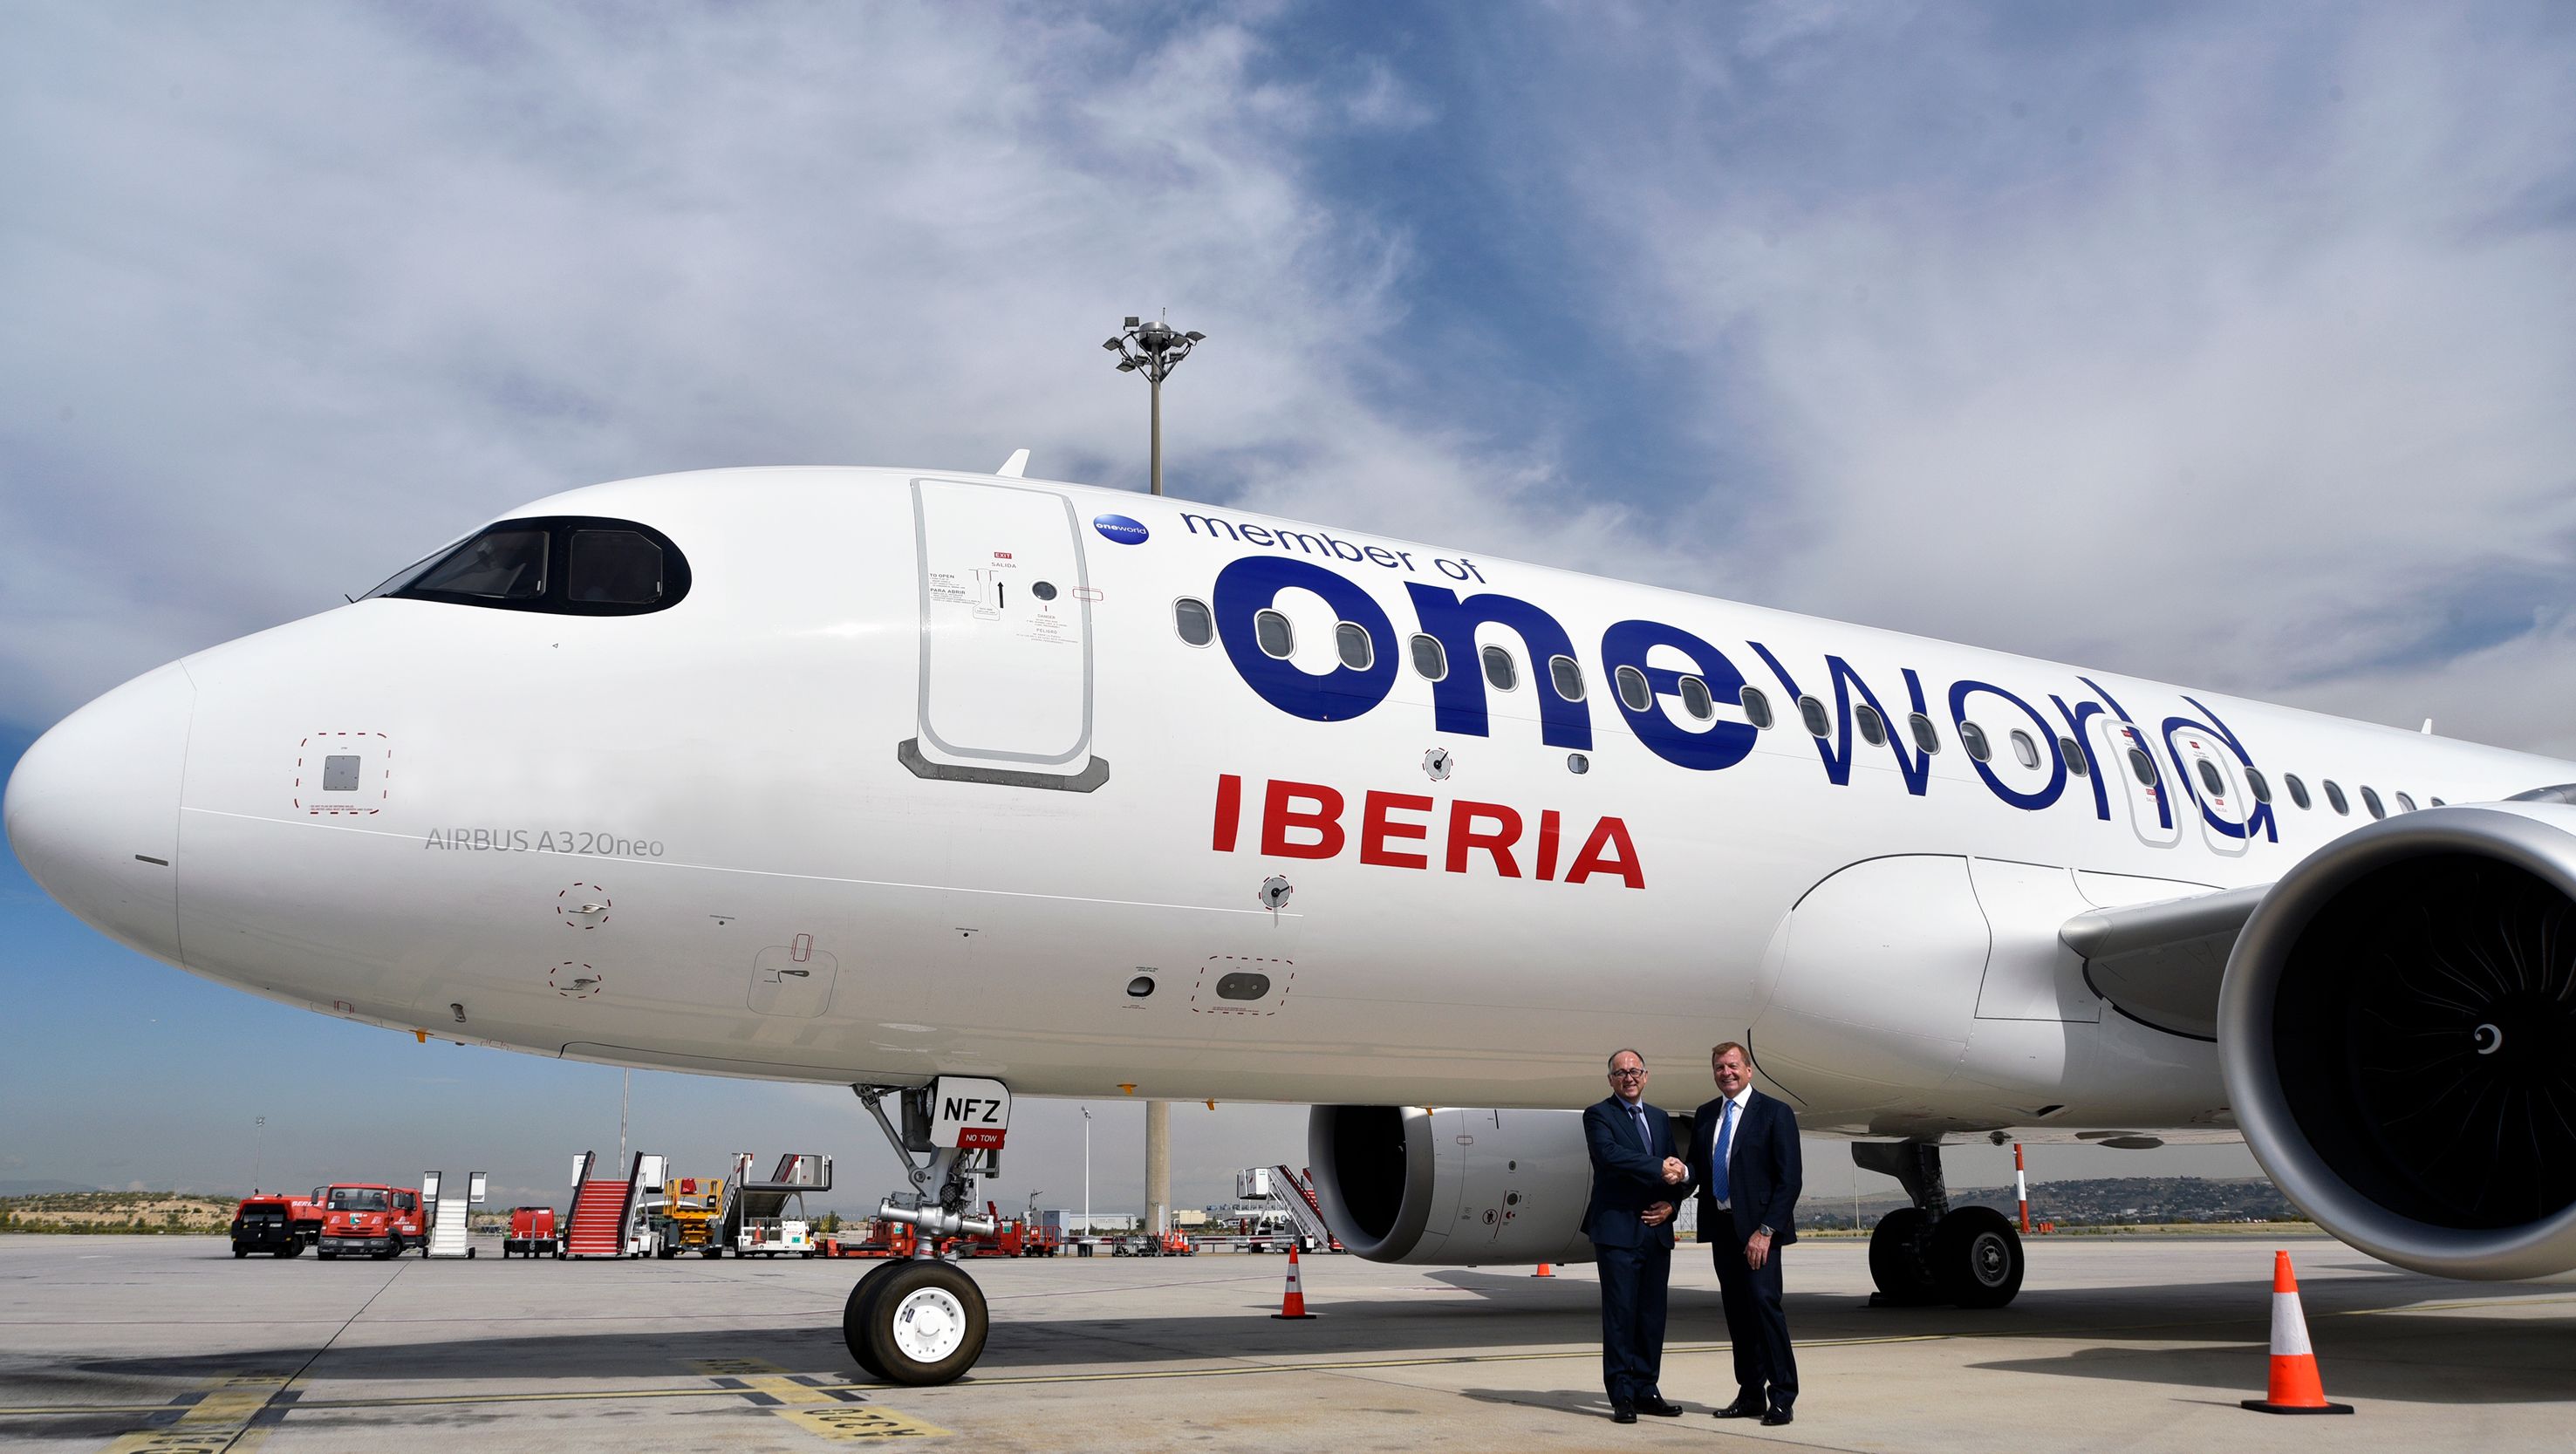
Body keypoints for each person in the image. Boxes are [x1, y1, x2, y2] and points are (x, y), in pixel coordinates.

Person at [1689, 1040, 1802, 1425]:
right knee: (1737, 1315)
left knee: (1764, 1308)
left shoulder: (1775, 1113)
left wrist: (1766, 1231)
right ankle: (1751, 1393)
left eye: (1733, 1066)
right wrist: (1675, 1183)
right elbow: (1697, 1171)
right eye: (1720, 1067)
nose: (1727, 1073)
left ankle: (1783, 1396)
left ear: (1749, 1070)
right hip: (1723, 1229)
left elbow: (1789, 1181)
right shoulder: (1706, 1115)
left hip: (1759, 1233)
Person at [1580, 1048, 1692, 1423]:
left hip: (1656, 1231)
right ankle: (1622, 1394)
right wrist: (1661, 1167)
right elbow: (1610, 1156)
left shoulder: (1659, 1118)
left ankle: (1646, 1389)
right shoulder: (1598, 1115)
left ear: (1646, 1076)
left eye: (1635, 1071)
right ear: (1610, 1080)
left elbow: (1676, 1171)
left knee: (1651, 1316)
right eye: (1620, 1072)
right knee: (1620, 1315)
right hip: (1617, 1231)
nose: (1629, 1077)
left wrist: (1673, 1203)